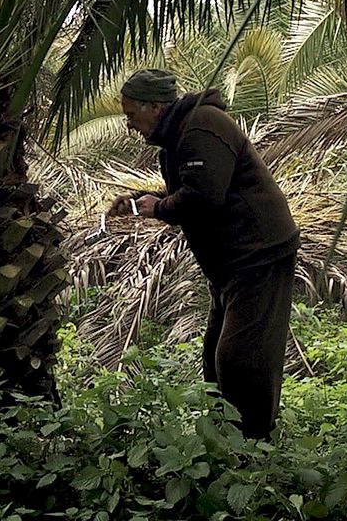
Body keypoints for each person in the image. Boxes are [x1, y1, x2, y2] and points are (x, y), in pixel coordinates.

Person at [109, 68, 300, 440]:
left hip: (258, 255)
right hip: (230, 264)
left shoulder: (200, 127)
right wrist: (140, 200)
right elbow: (194, 188)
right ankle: (226, 440)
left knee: (241, 360)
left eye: (132, 114)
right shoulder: (179, 132)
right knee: (217, 358)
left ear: (155, 107)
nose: (129, 124)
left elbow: (204, 197)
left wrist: (158, 209)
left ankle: (255, 448)